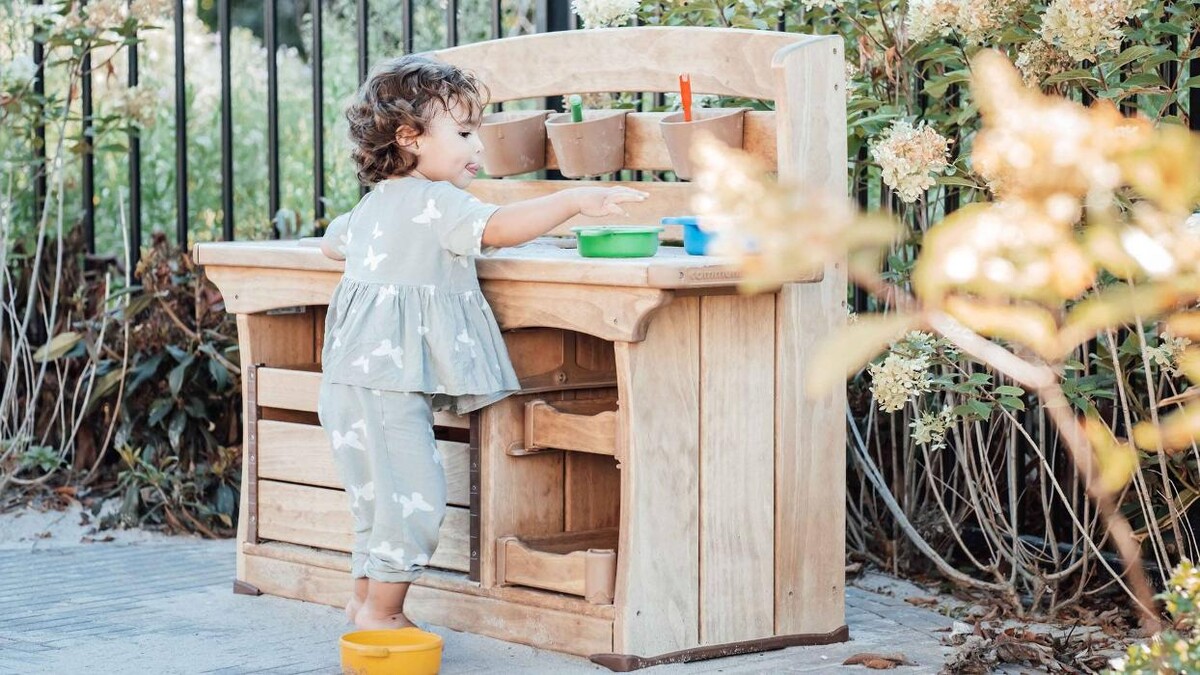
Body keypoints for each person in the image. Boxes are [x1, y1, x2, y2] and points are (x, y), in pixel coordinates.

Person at [317, 54, 648, 630]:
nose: (478, 148)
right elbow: (499, 228)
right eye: (466, 133)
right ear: (409, 137)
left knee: (377, 500)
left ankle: (364, 603)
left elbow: (331, 242)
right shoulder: (438, 203)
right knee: (414, 499)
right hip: (387, 386)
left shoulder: (374, 204)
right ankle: (382, 617)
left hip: (347, 382)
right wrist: (573, 200)